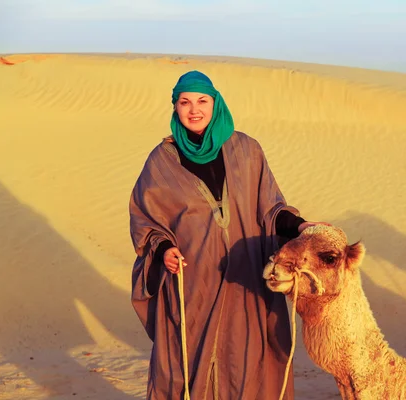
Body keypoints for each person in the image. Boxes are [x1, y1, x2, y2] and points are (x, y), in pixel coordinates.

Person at [129, 70, 324, 399]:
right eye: (185, 102)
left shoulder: (246, 151)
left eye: (202, 101)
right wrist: (163, 250)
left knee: (246, 361)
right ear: (174, 107)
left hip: (245, 283)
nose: (194, 110)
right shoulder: (161, 161)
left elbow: (270, 209)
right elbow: (147, 220)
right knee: (185, 365)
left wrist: (301, 227)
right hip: (193, 284)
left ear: (215, 103)